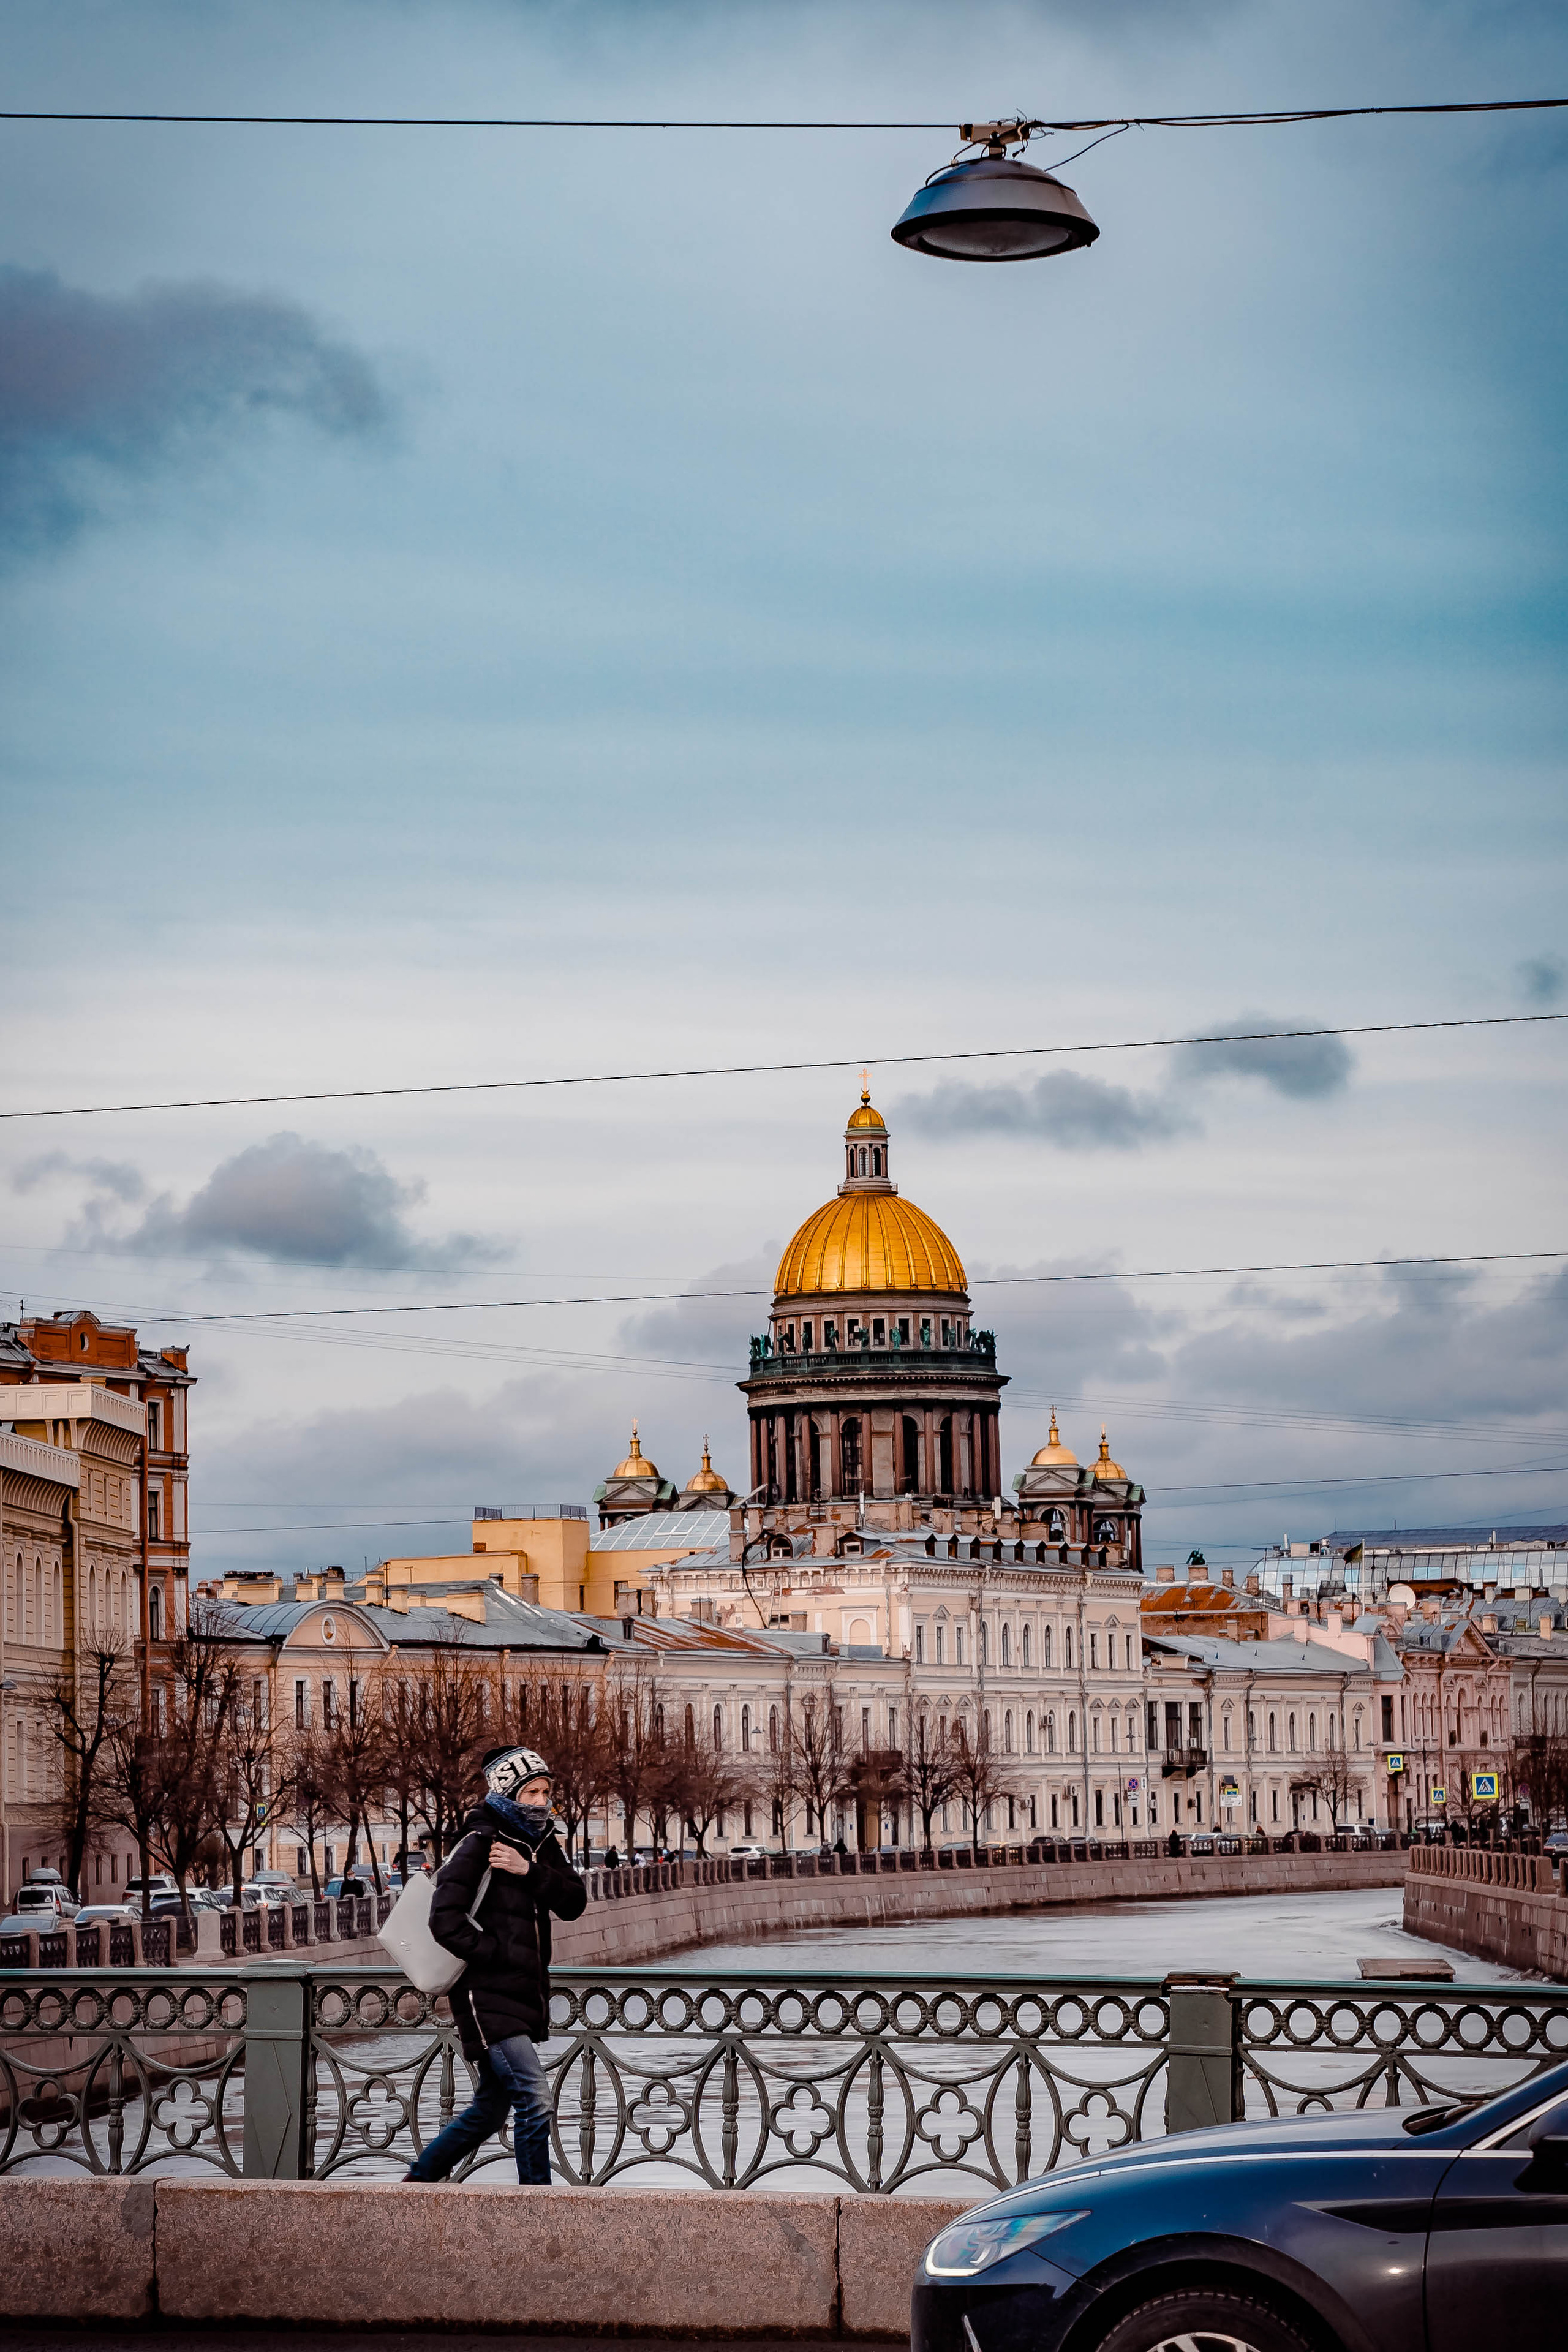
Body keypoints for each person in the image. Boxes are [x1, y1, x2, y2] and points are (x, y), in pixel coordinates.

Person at [402, 1745, 586, 2187]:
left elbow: (574, 1903)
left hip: (524, 1993)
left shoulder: (541, 1843)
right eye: (532, 1793)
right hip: (483, 1994)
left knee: (490, 2108)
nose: (542, 1801)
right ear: (508, 1792)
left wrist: (528, 1871)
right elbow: (444, 1921)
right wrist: (499, 1956)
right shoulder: (478, 1843)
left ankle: (417, 2183)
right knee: (536, 2099)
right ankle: (537, 2206)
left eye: (546, 1792)